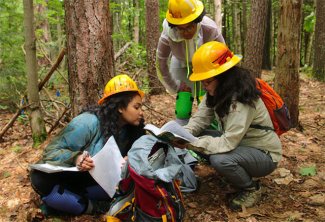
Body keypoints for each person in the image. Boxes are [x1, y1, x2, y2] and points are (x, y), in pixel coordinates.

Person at [181, 41, 282, 210]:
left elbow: (228, 143)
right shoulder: (216, 91)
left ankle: (252, 188)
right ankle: (236, 171)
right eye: (202, 82)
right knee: (199, 137)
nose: (204, 87)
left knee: (220, 159)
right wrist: (182, 134)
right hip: (241, 145)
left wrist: (191, 143)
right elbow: (200, 119)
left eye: (207, 82)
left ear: (223, 77)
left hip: (264, 155)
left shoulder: (241, 100)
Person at [29, 74, 146, 215]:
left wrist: (130, 160)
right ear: (121, 107)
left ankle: (69, 204)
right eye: (136, 107)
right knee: (39, 179)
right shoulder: (88, 122)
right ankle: (91, 207)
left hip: (105, 183)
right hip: (75, 178)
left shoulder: (133, 130)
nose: (141, 112)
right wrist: (76, 158)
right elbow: (51, 151)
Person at [156, 0, 225, 125]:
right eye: (180, 29)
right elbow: (161, 63)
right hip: (181, 62)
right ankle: (182, 132)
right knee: (183, 99)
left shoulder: (209, 28)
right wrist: (175, 86)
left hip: (207, 63)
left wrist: (219, 81)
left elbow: (223, 57)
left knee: (209, 96)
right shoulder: (167, 35)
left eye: (189, 27)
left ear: (197, 21)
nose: (186, 32)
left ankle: (213, 128)